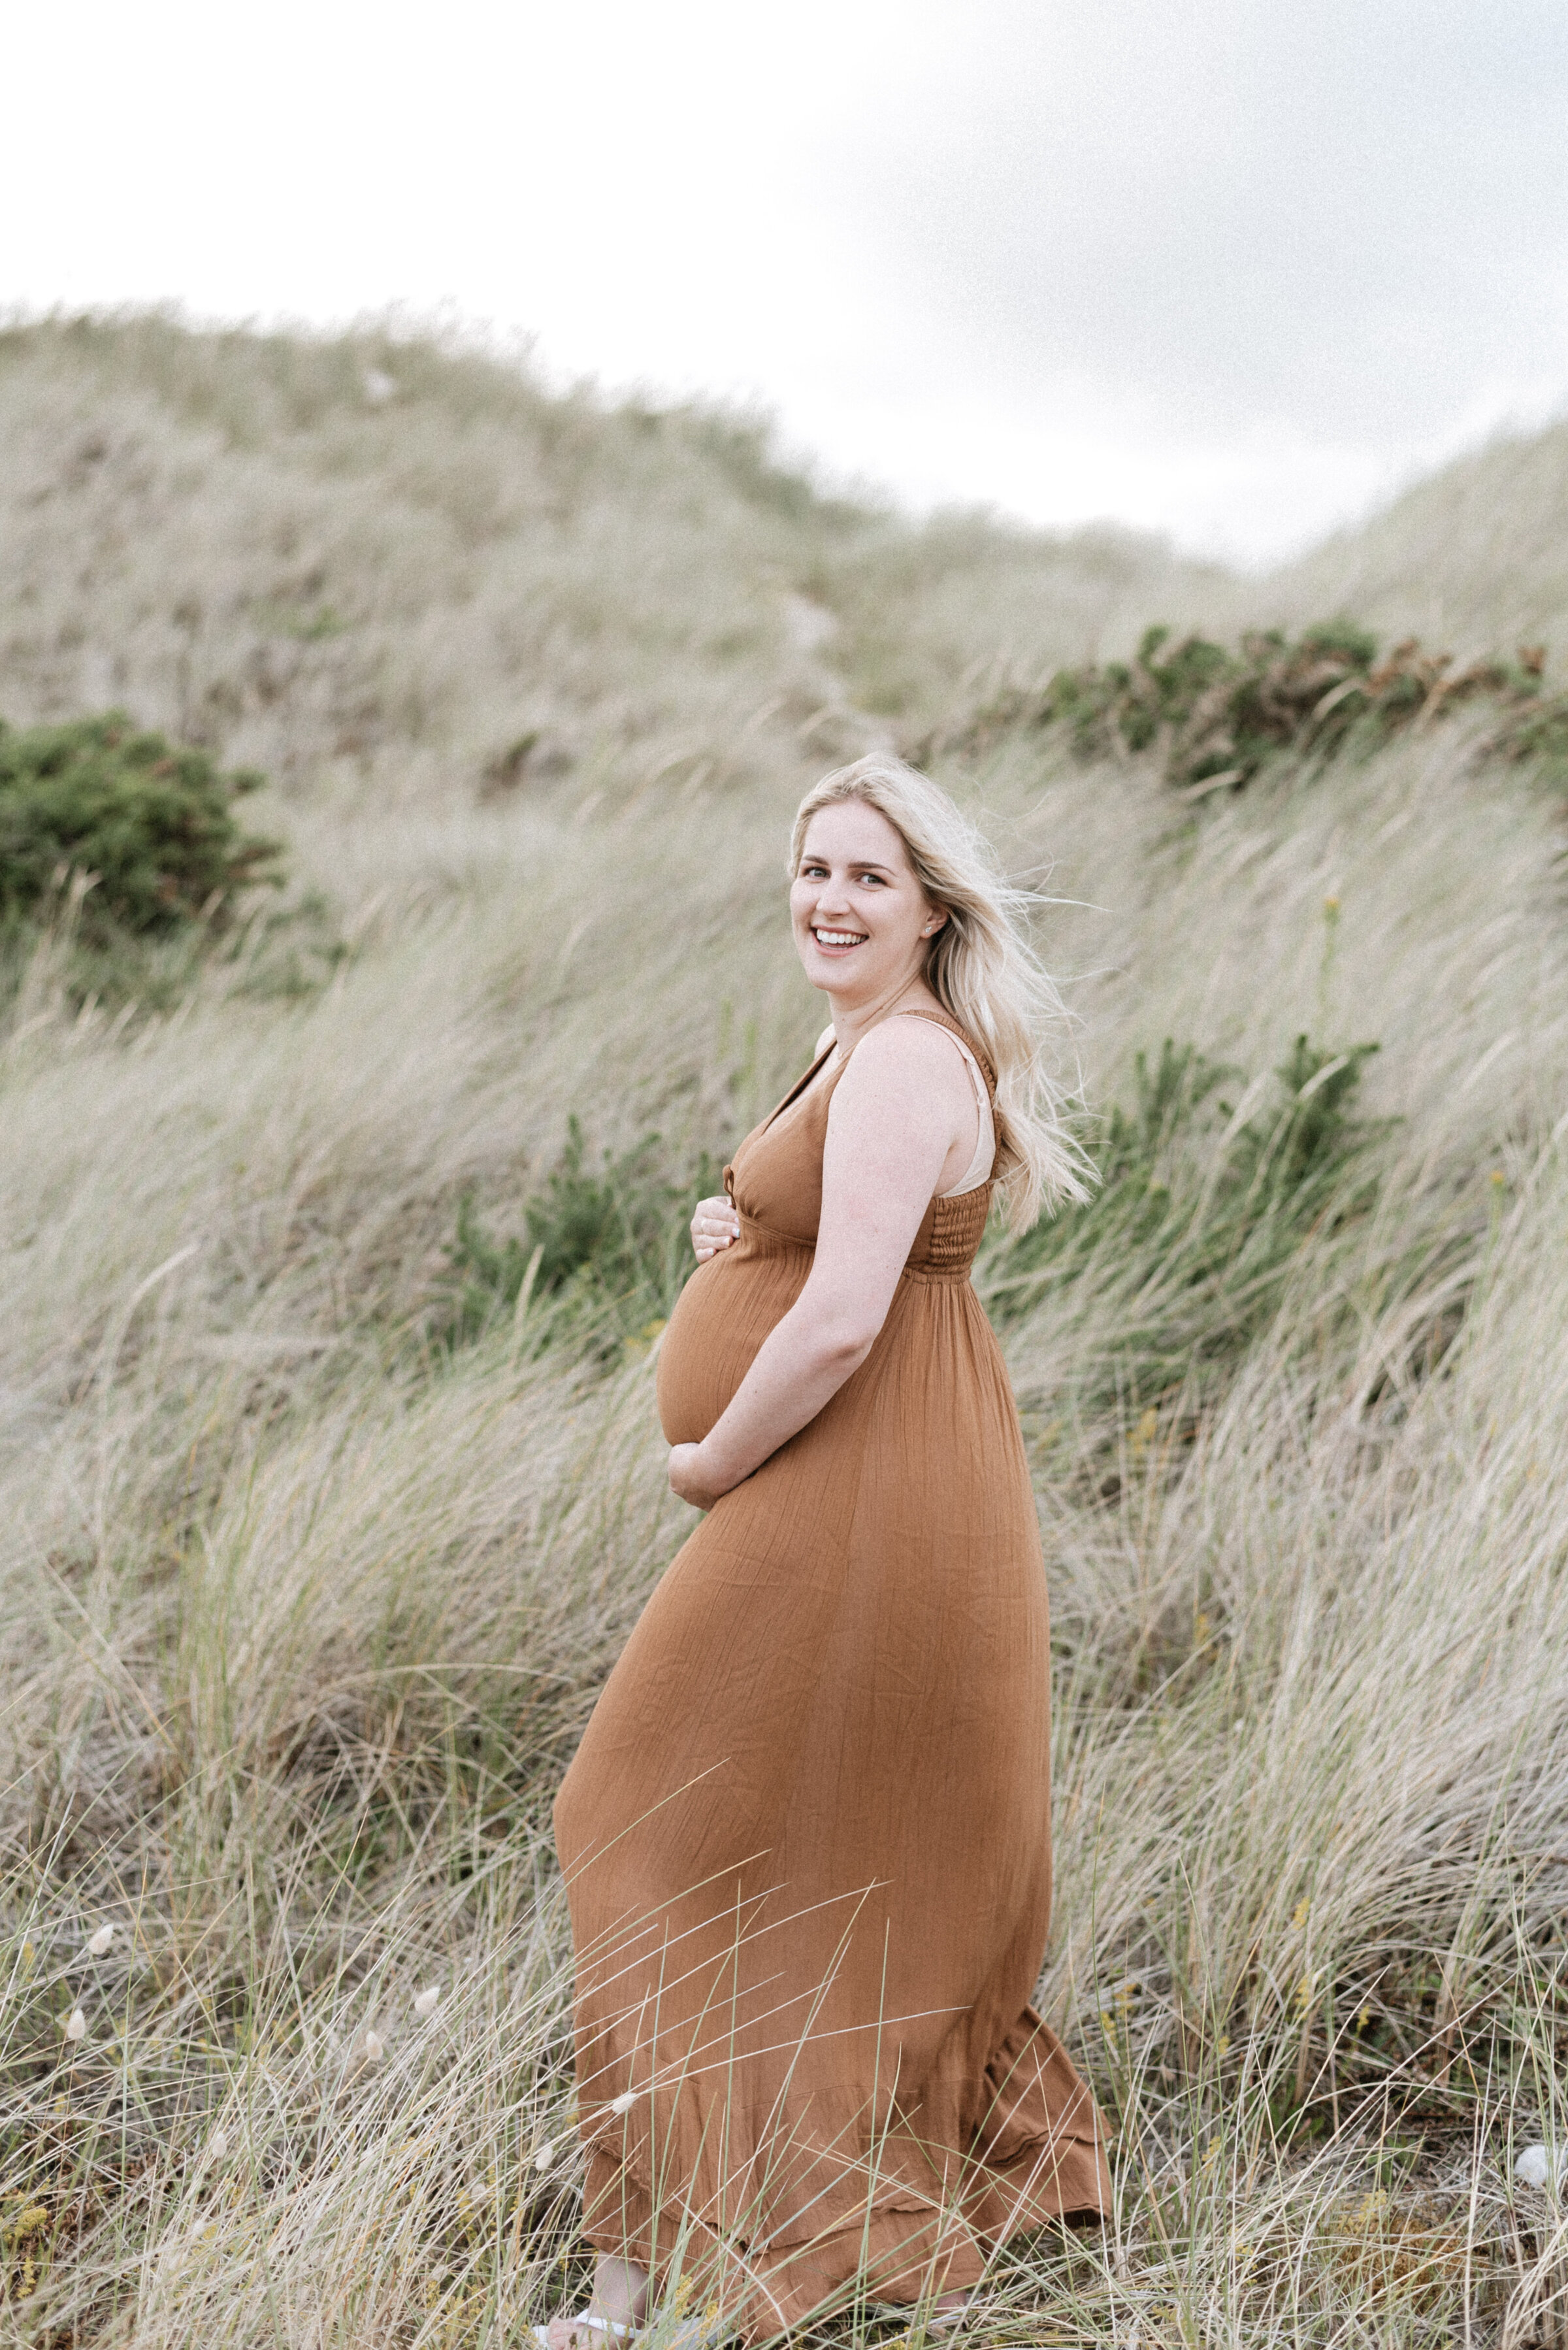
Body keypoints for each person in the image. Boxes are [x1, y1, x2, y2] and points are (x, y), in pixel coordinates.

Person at [542, 755, 1109, 2347]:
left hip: (857, 1473)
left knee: (648, 1818)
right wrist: (744, 1225)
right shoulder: (853, 1038)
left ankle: (737, 2257)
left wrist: (714, 1454)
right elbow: (829, 1239)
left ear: (933, 906)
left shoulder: (912, 1058)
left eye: (868, 875)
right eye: (812, 869)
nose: (831, 899)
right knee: (734, 1837)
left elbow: (853, 1314)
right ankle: (647, 2280)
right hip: (853, 1466)